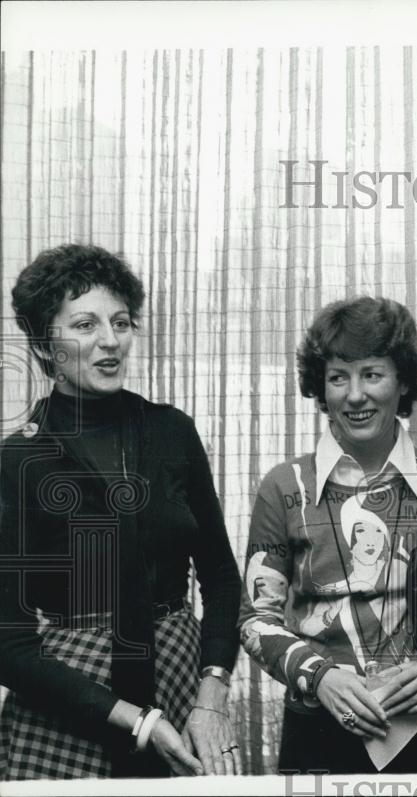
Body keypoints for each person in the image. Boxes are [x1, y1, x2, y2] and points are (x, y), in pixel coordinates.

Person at [0, 244, 243, 779]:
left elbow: (222, 579)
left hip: (181, 689)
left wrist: (212, 695)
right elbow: (9, 646)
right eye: (85, 325)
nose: (110, 341)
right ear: (44, 344)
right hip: (70, 708)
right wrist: (136, 721)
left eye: (121, 322)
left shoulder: (171, 431)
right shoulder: (18, 460)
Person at [238, 296, 417, 774]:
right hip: (318, 726)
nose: (355, 395)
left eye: (372, 374)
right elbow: (255, 618)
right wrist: (320, 676)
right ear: (320, 386)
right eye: (338, 377)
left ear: (404, 382)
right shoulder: (283, 486)